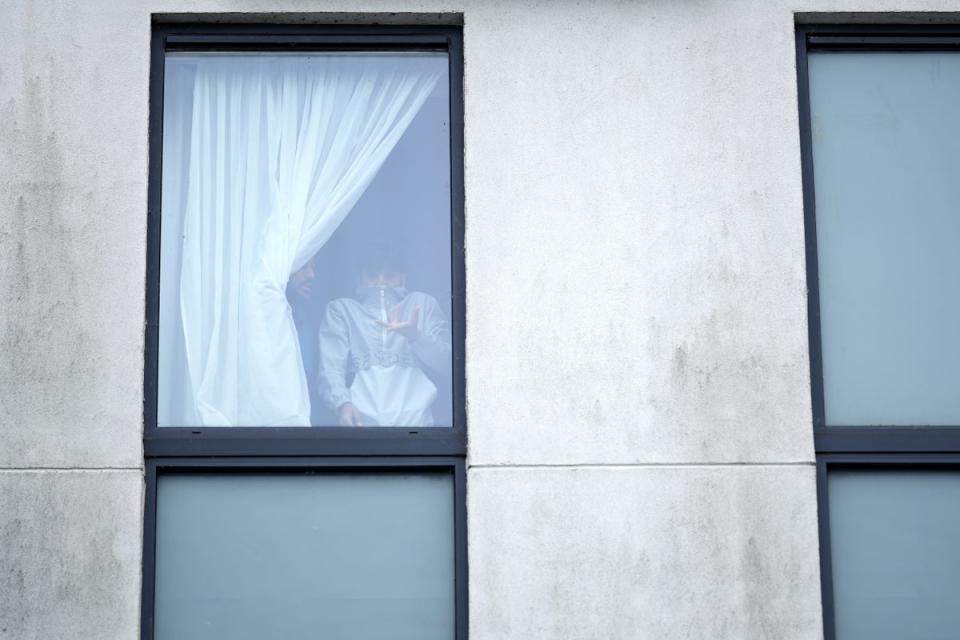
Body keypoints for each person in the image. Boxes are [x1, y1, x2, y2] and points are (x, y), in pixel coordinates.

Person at [317, 247, 451, 427]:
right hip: (360, 427)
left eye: (390, 275)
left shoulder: (422, 304)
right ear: (359, 278)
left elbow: (449, 364)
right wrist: (342, 404)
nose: (381, 282)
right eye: (372, 275)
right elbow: (330, 367)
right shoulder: (342, 310)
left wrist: (416, 337)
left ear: (404, 278)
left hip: (418, 428)